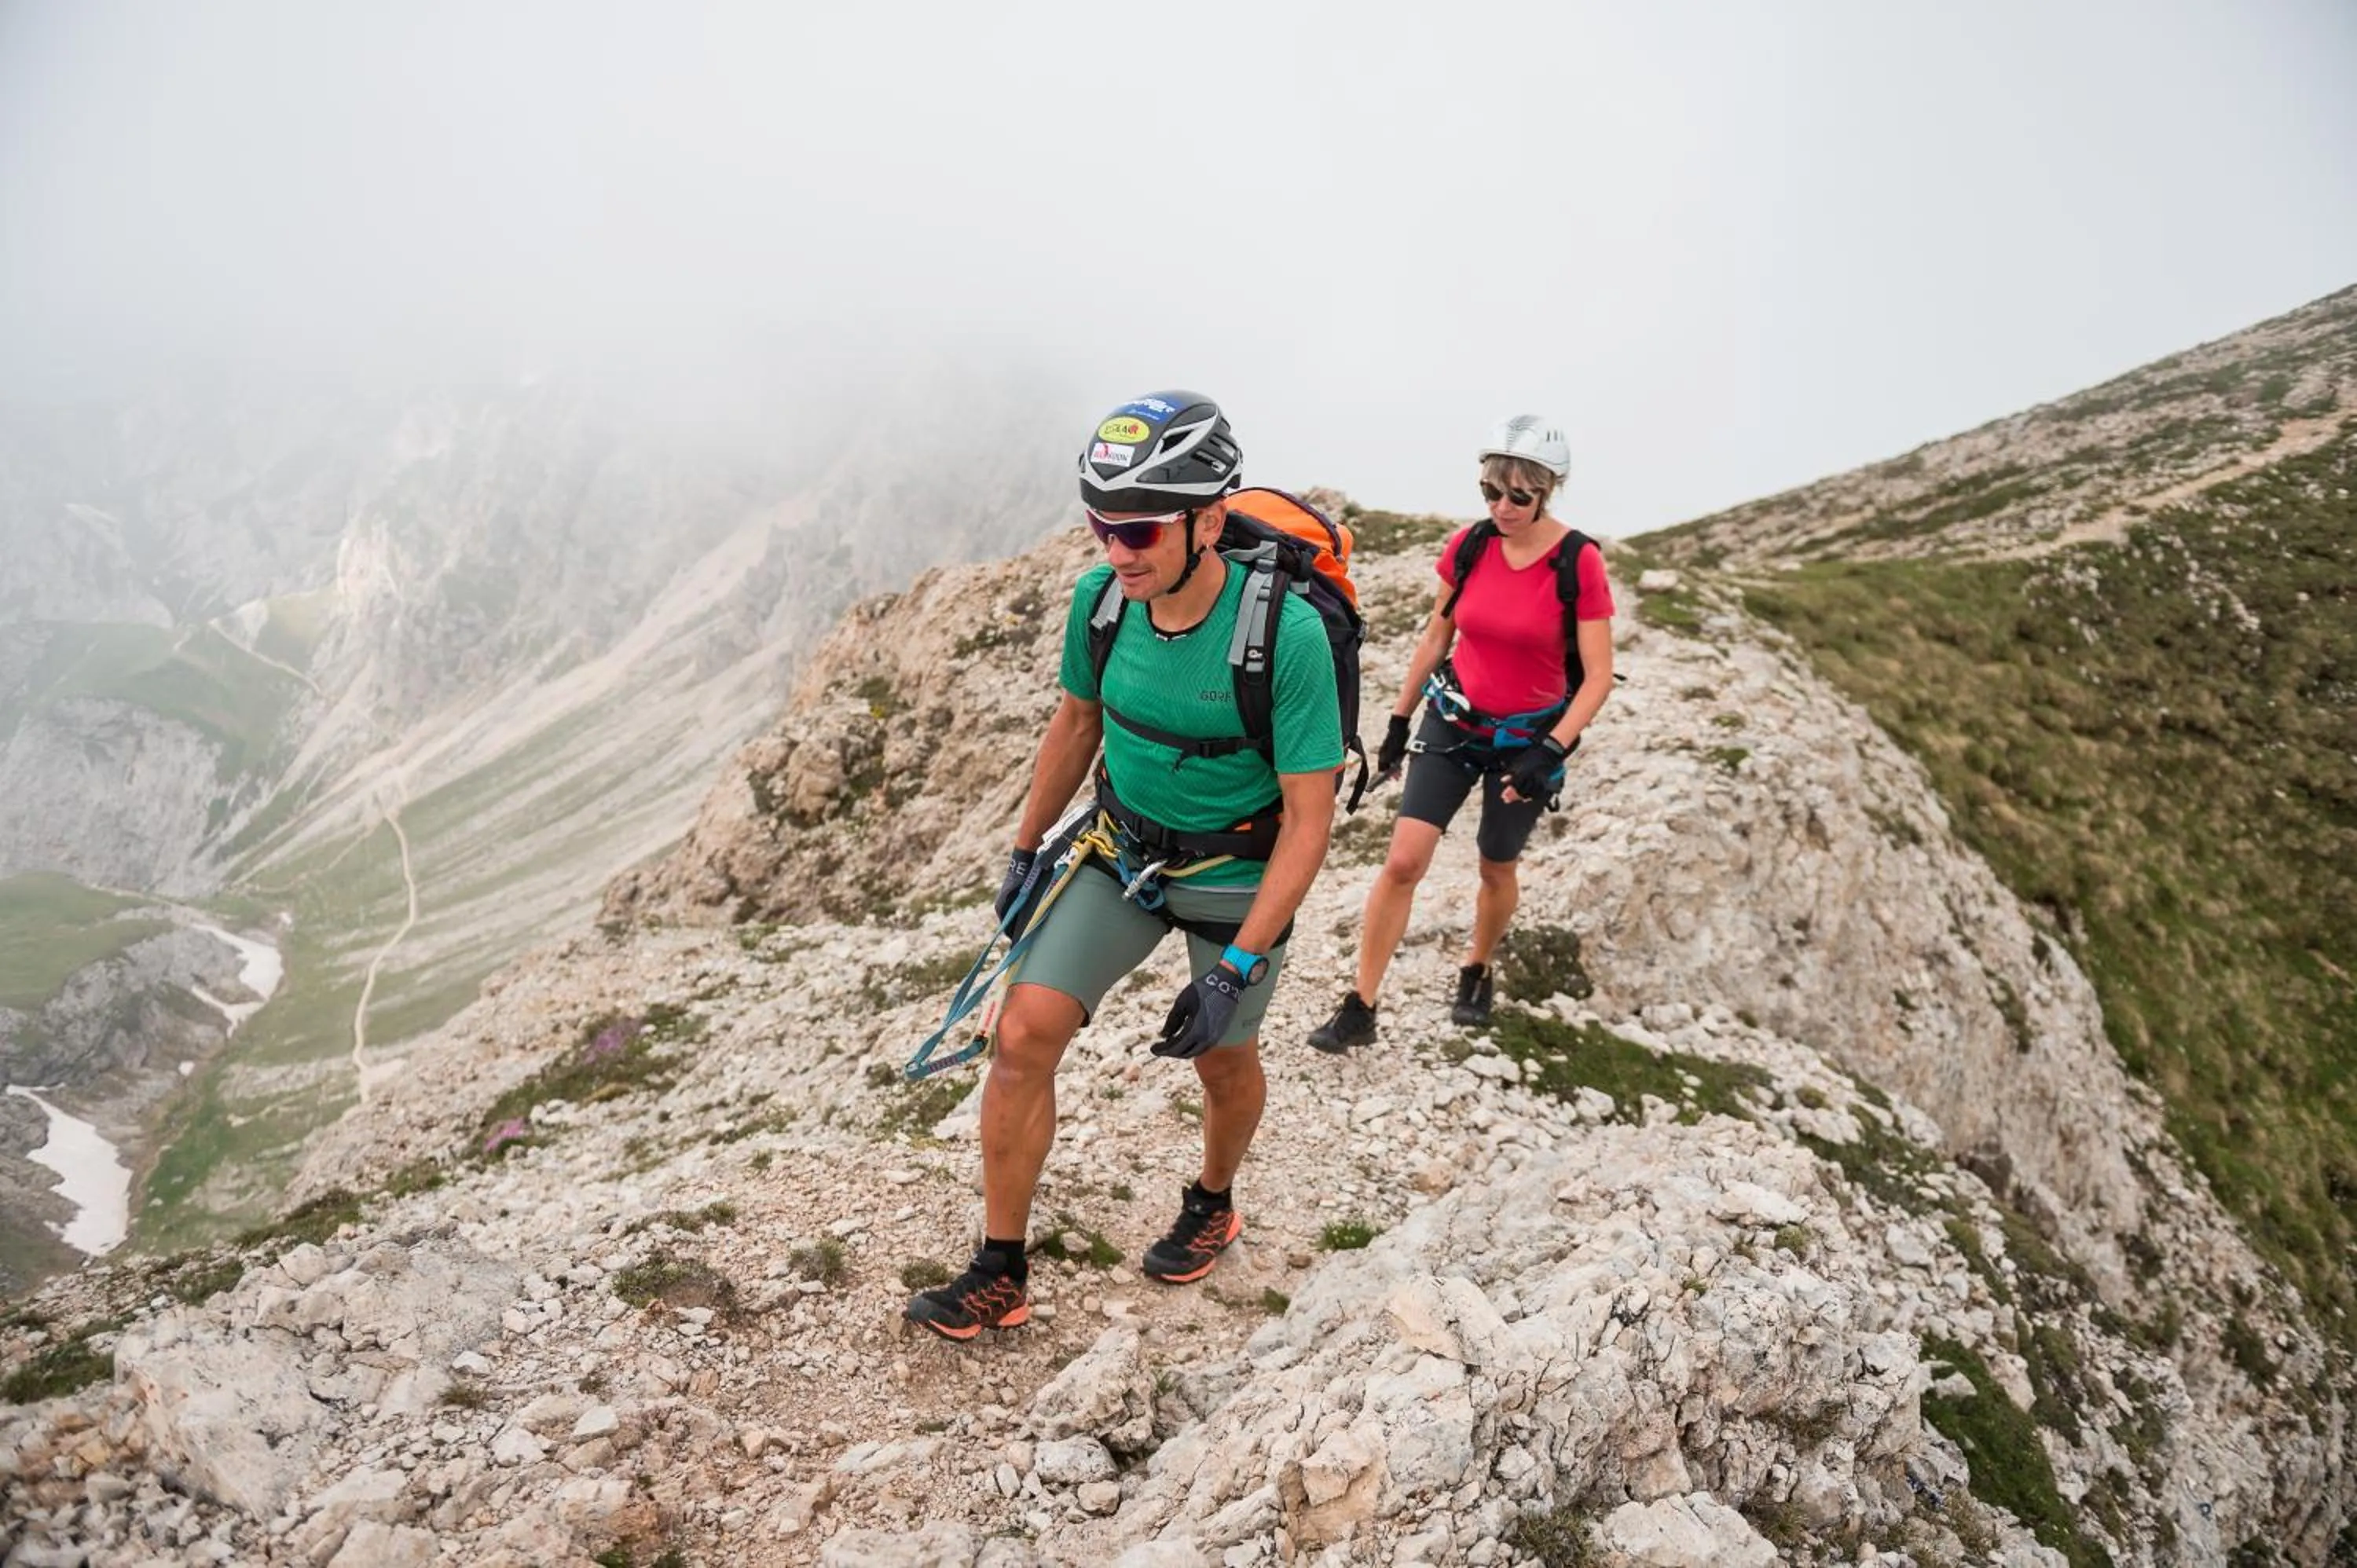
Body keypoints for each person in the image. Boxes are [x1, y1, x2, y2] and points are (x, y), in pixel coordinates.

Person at [904, 390, 1343, 1343]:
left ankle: (1214, 1199)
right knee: (1022, 1036)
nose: (1117, 549)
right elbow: (1077, 723)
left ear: (1209, 518)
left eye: (1139, 527)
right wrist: (1026, 850)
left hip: (1239, 871)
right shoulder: (1101, 602)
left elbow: (1312, 821)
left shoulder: (1288, 638)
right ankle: (999, 1268)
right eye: (1101, 525)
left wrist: (1236, 967)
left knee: (1225, 1061)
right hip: (1123, 852)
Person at [1307, 415, 1615, 1052]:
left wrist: (1551, 749)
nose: (1501, 507)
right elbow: (1436, 635)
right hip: (1453, 720)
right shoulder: (1470, 547)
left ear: (1547, 491)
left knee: (1495, 866)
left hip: (1528, 741)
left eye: (1518, 497)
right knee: (1402, 862)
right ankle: (1360, 1005)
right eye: (1490, 492)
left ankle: (1477, 967)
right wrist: (1397, 720)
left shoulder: (1578, 561)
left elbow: (1599, 677)